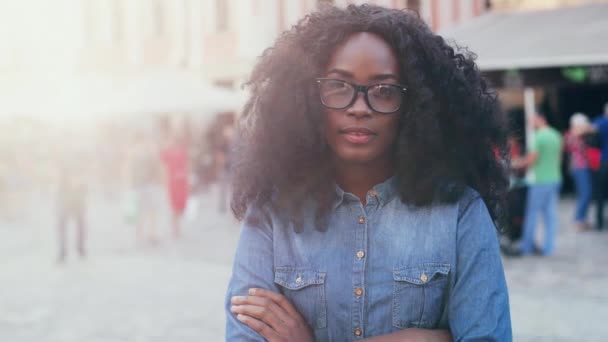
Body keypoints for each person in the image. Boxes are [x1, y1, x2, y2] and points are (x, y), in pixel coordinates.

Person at [225, 4, 511, 341]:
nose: (359, 108)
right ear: (305, 98)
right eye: (338, 87)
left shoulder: (460, 213)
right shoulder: (271, 214)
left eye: (384, 91)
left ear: (418, 105)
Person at [513, 113, 563, 256]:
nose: (530, 124)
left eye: (532, 121)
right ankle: (549, 248)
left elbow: (532, 159)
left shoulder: (538, 137)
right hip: (555, 178)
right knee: (550, 214)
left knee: (532, 214)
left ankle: (526, 247)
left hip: (541, 180)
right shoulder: (556, 135)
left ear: (541, 119)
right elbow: (559, 157)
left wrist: (517, 163)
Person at [160, 120, 190, 238]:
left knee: (180, 206)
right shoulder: (169, 152)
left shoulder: (182, 152)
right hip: (174, 183)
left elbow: (187, 166)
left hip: (180, 182)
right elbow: (161, 164)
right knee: (174, 207)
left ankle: (176, 226)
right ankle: (175, 228)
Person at [564, 113, 593, 231]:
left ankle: (582, 219)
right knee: (585, 193)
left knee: (585, 193)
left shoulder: (578, 134)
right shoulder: (572, 134)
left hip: (583, 167)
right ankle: (578, 219)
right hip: (579, 167)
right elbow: (589, 129)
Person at [591, 102, 608, 231]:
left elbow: (585, 130)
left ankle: (600, 222)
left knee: (600, 192)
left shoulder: (600, 122)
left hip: (604, 161)